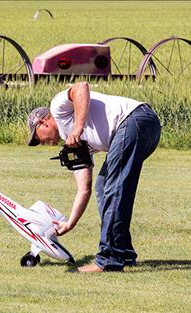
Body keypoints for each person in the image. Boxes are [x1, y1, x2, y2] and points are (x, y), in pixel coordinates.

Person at [27, 81, 161, 272]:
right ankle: (123, 252)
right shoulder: (74, 144)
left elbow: (81, 87)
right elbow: (84, 189)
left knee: (113, 188)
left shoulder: (58, 107)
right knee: (103, 185)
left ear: (43, 122)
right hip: (141, 127)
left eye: (37, 137)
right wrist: (70, 224)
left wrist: (77, 128)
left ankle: (109, 260)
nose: (40, 142)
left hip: (136, 120)